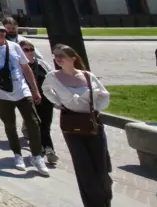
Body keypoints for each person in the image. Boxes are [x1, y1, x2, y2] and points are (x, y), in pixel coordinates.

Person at [42, 44, 112, 207]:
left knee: (100, 165)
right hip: (71, 125)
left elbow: (104, 94)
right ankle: (92, 203)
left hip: (92, 123)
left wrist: (95, 107)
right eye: (55, 56)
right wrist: (58, 102)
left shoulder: (87, 76)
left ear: (73, 58)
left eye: (62, 56)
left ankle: (105, 198)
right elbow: (46, 90)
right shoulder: (53, 76)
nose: (58, 59)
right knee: (83, 167)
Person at [0, 21, 50, 175]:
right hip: (1, 93)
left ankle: (37, 156)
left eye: (3, 31)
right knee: (10, 124)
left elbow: (26, 68)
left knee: (33, 122)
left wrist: (35, 90)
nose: (1, 33)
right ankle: (17, 154)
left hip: (21, 90)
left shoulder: (15, 46)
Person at [20, 39, 58, 165]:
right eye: (26, 50)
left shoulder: (42, 63)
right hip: (28, 99)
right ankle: (47, 149)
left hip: (46, 99)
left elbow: (53, 78)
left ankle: (43, 147)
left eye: (32, 49)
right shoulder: (18, 66)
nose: (30, 52)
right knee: (36, 124)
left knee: (46, 124)